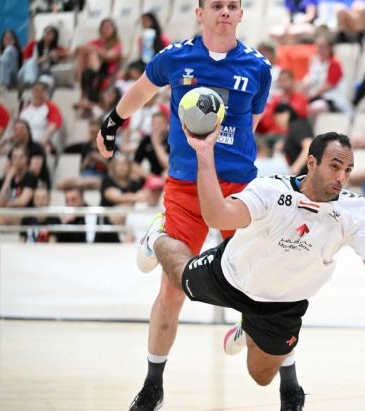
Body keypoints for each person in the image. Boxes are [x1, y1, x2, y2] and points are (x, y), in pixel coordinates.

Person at [137, 130, 365, 410]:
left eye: (348, 170)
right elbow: (217, 216)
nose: (341, 177)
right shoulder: (270, 190)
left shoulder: (355, 211)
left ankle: (247, 327)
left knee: (260, 376)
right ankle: (156, 236)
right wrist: (204, 153)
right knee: (177, 273)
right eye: (334, 166)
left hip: (283, 304)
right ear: (311, 163)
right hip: (230, 276)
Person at [95, 0, 272, 409]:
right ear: (200, 13)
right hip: (185, 184)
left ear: (241, 14)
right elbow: (141, 91)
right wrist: (112, 122)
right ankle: (153, 384)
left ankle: (247, 325)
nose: (224, 12)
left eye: (232, 6)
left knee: (254, 277)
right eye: (216, 5)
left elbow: (251, 123)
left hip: (237, 187)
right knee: (172, 289)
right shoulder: (175, 58)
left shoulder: (258, 67)